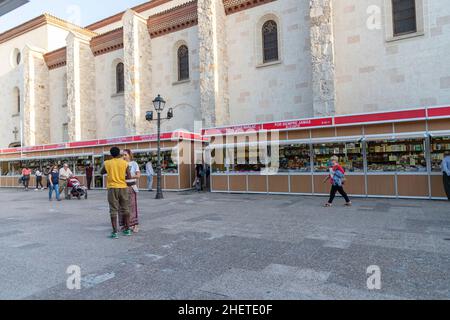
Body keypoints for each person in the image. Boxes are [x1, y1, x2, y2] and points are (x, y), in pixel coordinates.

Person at [101, 147, 132, 239]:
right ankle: (127, 229)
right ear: (119, 154)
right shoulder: (125, 163)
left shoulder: (107, 163)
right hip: (123, 187)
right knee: (125, 208)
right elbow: (129, 177)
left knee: (113, 209)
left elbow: (101, 172)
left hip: (112, 188)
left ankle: (115, 232)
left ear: (111, 154)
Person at [120, 149, 141, 233]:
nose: (124, 156)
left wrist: (130, 176)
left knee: (132, 206)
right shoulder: (121, 163)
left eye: (125, 154)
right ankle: (126, 225)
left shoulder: (134, 163)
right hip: (122, 187)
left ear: (129, 155)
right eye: (122, 155)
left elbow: (138, 175)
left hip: (131, 186)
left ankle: (135, 225)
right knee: (123, 207)